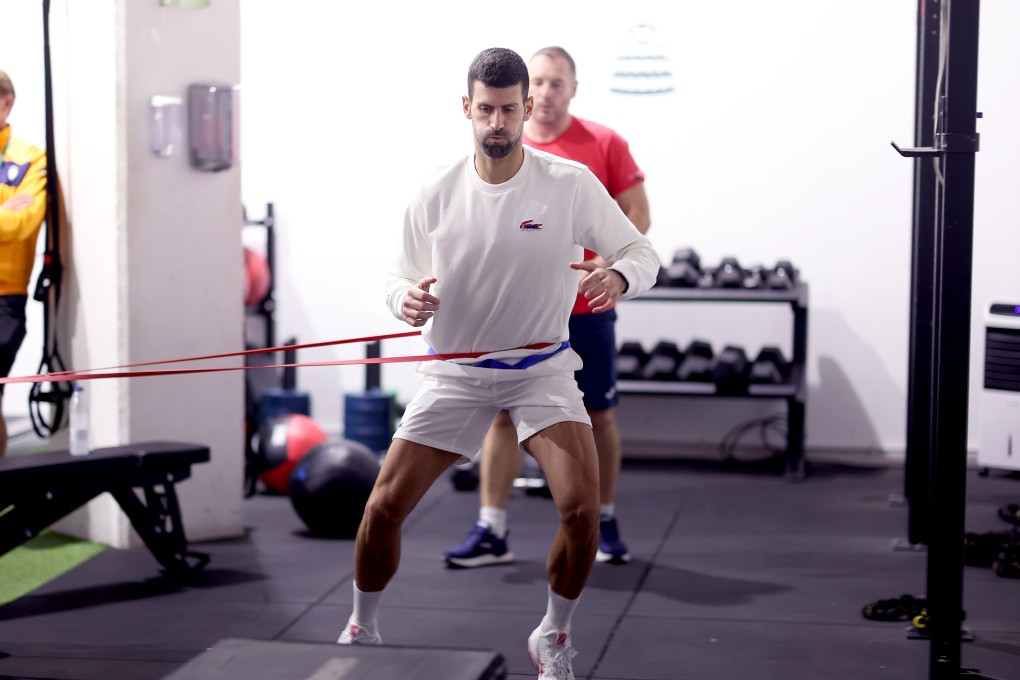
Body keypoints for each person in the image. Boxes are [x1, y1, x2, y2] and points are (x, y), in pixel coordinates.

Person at [336, 48, 659, 680]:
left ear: (527, 107)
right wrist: (406, 299)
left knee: (580, 512)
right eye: (486, 110)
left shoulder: (567, 184)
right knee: (381, 510)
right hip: (455, 373)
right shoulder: (435, 190)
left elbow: (639, 248)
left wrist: (620, 274)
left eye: (510, 109)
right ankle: (360, 626)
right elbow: (396, 278)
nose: (498, 123)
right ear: (467, 109)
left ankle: (553, 636)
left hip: (542, 369)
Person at [443, 46, 650, 569]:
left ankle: (603, 520)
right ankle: (491, 528)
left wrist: (609, 265)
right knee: (501, 419)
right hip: (518, 319)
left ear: (570, 89)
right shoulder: (501, 149)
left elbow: (637, 215)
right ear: (525, 96)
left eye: (559, 82)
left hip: (584, 308)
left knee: (597, 415)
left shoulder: (602, 145)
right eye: (542, 82)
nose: (550, 91)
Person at [0, 69, 46, 457]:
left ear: (5, 102)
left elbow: (22, 223)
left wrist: (9, 214)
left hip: (5, 301)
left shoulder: (29, 158)